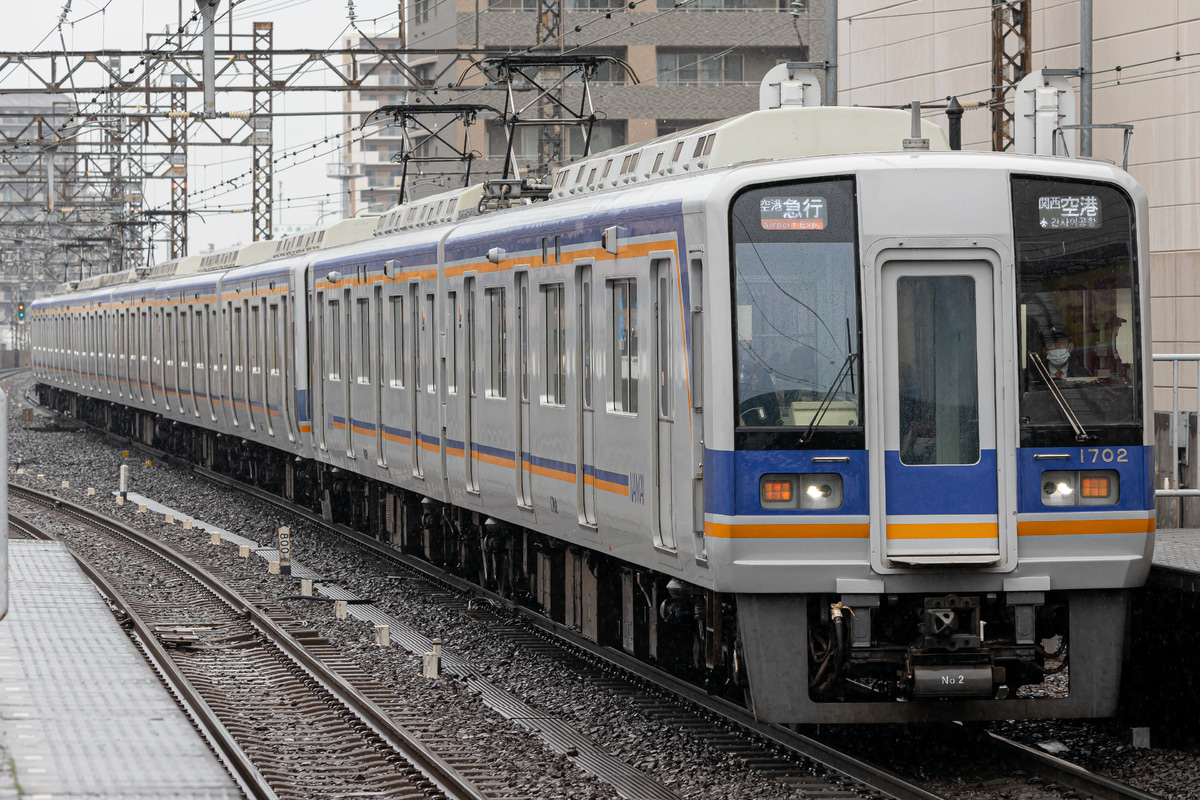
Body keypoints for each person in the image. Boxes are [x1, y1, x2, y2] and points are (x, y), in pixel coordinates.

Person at [739, 360, 782, 425]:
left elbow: (774, 409)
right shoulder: (746, 397)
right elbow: (758, 417)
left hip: (770, 423)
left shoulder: (765, 380)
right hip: (756, 427)